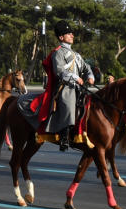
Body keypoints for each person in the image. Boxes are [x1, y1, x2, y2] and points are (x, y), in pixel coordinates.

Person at [38, 20, 95, 150]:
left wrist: (90, 76)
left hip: (78, 87)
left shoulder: (77, 55)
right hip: (64, 87)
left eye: (72, 33)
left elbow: (87, 68)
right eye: (69, 34)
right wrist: (75, 77)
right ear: (61, 37)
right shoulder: (58, 53)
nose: (72, 36)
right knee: (69, 100)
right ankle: (64, 136)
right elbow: (59, 71)